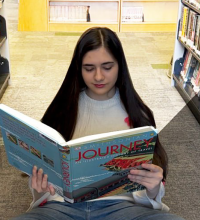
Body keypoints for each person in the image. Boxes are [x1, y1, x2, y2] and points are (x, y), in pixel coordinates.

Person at [11, 27, 185, 220]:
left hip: (121, 207)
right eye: (89, 68)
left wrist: (154, 188)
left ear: (120, 66)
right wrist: (39, 187)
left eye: (107, 67)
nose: (99, 77)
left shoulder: (139, 114)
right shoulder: (62, 110)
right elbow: (43, 179)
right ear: (78, 67)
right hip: (62, 207)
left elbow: (148, 193)